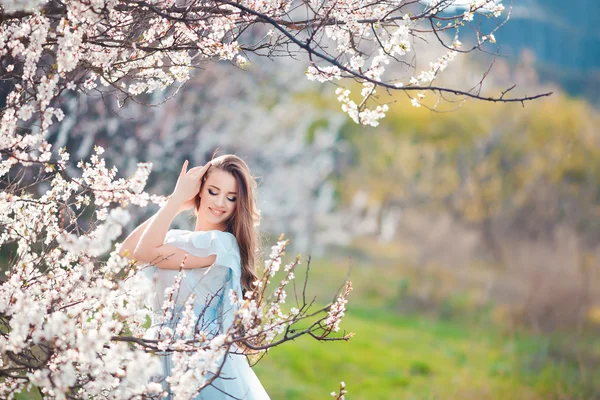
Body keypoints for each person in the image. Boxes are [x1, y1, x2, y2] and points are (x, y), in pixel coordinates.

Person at [119, 155, 269, 399]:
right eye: (213, 191)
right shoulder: (177, 239)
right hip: (159, 349)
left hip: (196, 356)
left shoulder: (221, 245)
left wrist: (177, 200)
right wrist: (177, 202)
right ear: (200, 190)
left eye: (231, 197)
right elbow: (126, 251)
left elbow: (144, 251)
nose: (220, 202)